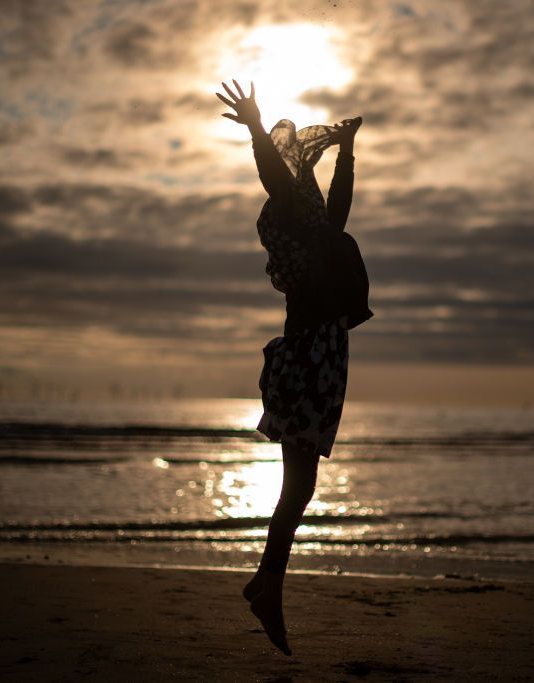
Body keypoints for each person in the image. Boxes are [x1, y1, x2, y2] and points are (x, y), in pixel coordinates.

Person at [216, 79, 371, 656]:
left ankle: (266, 584)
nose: (302, 169)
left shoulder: (320, 231)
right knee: (297, 486)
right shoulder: (291, 217)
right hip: (308, 359)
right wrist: (258, 128)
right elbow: (274, 177)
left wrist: (349, 150)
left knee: (301, 488)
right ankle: (266, 586)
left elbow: (341, 205)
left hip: (326, 358)